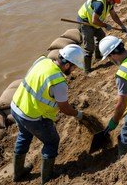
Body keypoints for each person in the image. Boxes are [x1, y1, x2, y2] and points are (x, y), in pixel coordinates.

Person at [10, 44, 85, 183]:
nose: (74, 70)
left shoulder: (42, 60)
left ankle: (18, 173)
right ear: (68, 65)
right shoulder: (58, 81)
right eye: (74, 67)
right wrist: (78, 114)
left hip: (16, 106)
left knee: (23, 135)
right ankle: (47, 177)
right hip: (31, 116)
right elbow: (64, 108)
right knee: (52, 142)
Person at [77, 0, 127, 73]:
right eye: (114, 1)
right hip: (85, 22)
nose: (114, 3)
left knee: (101, 36)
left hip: (93, 21)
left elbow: (114, 15)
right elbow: (94, 21)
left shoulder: (109, 2)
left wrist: (122, 25)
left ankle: (98, 57)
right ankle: (87, 70)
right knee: (89, 47)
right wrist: (105, 25)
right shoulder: (100, 4)